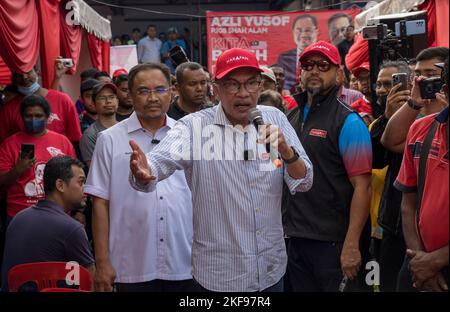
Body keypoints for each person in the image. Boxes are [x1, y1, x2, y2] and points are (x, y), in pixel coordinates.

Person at [129, 48, 313, 292]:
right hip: (221, 275)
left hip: (270, 269)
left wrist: (287, 152)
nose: (244, 93)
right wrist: (144, 169)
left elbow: (304, 180)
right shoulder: (194, 127)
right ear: (215, 90)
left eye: (251, 84)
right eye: (232, 85)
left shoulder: (275, 118)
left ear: (261, 86)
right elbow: (157, 163)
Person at [86, 63, 194, 292]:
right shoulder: (110, 139)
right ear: (130, 95)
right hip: (130, 264)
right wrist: (102, 262)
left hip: (183, 260)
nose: (153, 98)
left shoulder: (187, 135)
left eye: (160, 90)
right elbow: (99, 203)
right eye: (144, 91)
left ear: (172, 92)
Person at [285, 41, 372, 291]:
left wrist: (352, 244)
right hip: (294, 240)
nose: (314, 70)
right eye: (308, 65)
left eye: (323, 65)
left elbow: (363, 187)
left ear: (338, 73)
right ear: (300, 72)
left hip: (333, 244)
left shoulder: (349, 121)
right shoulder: (290, 116)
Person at [394, 57, 448, 292]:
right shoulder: (421, 129)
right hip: (418, 263)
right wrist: (419, 259)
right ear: (445, 90)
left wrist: (437, 260)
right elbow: (408, 203)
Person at [1, 156, 94, 291]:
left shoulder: (17, 220)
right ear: (60, 185)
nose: (85, 190)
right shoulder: (72, 229)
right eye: (81, 183)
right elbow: (91, 282)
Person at [0, 95, 76, 228]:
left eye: (38, 116)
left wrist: (78, 211)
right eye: (28, 116)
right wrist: (17, 170)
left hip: (58, 213)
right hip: (19, 214)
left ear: (47, 117)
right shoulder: (9, 144)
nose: (33, 120)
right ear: (21, 117)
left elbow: (74, 177)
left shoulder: (63, 142)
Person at [369, 60, 412, 291]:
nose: (384, 90)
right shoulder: (378, 123)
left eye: (391, 83)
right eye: (380, 84)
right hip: (390, 226)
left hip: (424, 228)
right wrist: (387, 117)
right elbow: (374, 160)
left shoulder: (426, 120)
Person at [381, 47, 449, 154]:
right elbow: (391, 143)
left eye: (430, 74)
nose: (421, 79)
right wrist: (413, 103)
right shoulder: (412, 114)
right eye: (417, 74)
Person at [0, 67, 82, 145]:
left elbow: (75, 139)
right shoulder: (8, 110)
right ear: (12, 78)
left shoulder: (63, 100)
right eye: (18, 74)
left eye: (28, 71)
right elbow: (5, 144)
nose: (24, 77)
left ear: (37, 72)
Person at [80, 82, 118, 168]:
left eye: (111, 97)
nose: (108, 101)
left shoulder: (126, 128)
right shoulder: (90, 135)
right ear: (94, 104)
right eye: (102, 98)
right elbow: (96, 170)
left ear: (117, 101)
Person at [277, 15, 318, 92]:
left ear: (316, 31)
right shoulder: (283, 58)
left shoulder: (321, 57)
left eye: (307, 30)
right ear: (293, 32)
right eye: (299, 30)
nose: (303, 34)